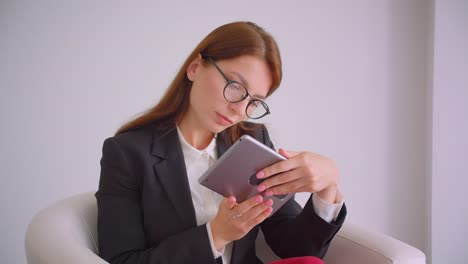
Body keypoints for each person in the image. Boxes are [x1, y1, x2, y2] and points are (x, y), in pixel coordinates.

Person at [96, 21, 347, 264]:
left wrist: (328, 188)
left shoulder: (252, 141)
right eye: (235, 86)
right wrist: (215, 235)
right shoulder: (127, 153)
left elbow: (296, 249)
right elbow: (121, 260)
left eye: (254, 101)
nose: (239, 109)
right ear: (195, 67)